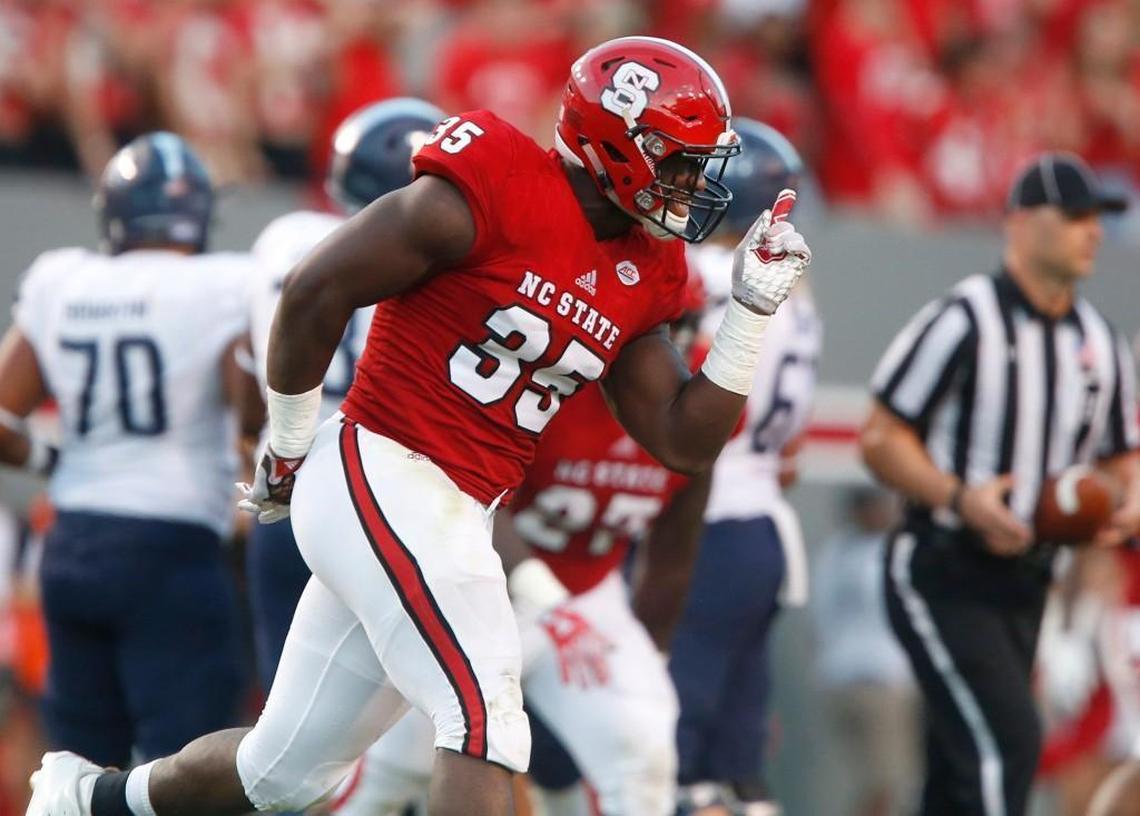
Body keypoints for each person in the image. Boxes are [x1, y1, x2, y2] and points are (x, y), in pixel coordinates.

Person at [27, 35, 812, 816]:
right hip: (382, 465)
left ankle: (83, 798)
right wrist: (290, 443)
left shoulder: (648, 269)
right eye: (678, 159)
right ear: (616, 142)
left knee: (280, 775)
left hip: (458, 509)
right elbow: (314, 289)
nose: (691, 182)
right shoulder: (497, 179)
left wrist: (748, 315)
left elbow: (682, 440)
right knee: (485, 717)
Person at [331, 275, 713, 816]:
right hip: (475, 585)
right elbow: (477, 496)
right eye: (662, 333)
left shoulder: (694, 418)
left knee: (643, 751)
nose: (673, 353)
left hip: (584, 600)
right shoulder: (556, 384)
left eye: (684, 331)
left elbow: (674, 552)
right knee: (393, 773)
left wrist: (649, 654)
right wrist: (543, 594)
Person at [861, 152, 1140, 816]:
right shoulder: (965, 318)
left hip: (1030, 578)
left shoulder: (1100, 342)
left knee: (957, 768)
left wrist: (1125, 504)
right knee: (1009, 742)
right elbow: (880, 437)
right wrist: (960, 498)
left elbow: (1124, 457)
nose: (1092, 231)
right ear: (1019, 221)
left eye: (1096, 218)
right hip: (943, 566)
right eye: (1074, 216)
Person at [0, 132, 263, 770]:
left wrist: (51, 460)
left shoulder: (63, 279)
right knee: (185, 767)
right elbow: (253, 418)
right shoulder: (225, 284)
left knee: (77, 770)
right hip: (173, 547)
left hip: (74, 544)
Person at [246, 97, 445, 694]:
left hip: (286, 483)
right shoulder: (435, 258)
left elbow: (245, 366)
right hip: (382, 497)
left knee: (284, 708)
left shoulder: (284, 237)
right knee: (399, 708)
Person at [669, 117, 820, 816]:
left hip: (708, 521)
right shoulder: (799, 295)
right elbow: (790, 453)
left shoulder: (705, 275)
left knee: (676, 744)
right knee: (740, 763)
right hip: (763, 527)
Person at [812, 487, 919, 816]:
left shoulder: (838, 552)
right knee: (886, 783)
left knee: (884, 784)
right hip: (874, 680)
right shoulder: (850, 552)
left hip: (862, 678)